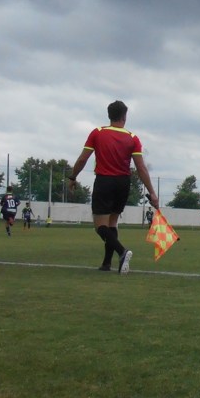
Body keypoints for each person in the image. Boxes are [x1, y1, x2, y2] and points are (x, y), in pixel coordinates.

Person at [68, 100, 159, 274]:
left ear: (109, 115)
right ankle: (106, 263)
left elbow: (82, 159)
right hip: (123, 183)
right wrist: (152, 193)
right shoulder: (132, 138)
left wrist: (73, 177)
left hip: (104, 181)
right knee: (112, 223)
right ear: (125, 116)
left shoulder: (98, 133)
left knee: (100, 226)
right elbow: (141, 167)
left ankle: (122, 251)